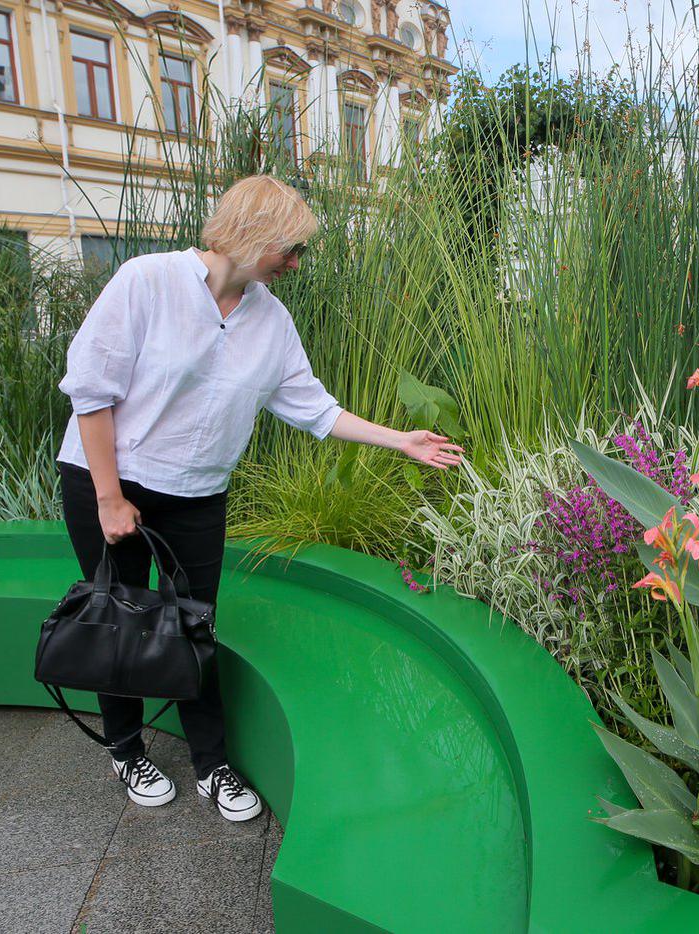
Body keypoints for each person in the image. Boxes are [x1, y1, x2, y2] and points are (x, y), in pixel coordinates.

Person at [55, 175, 463, 821]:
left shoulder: (269, 317)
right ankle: (126, 746)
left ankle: (211, 763)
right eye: (291, 249)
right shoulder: (147, 280)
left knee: (195, 625)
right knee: (122, 619)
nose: (296, 264)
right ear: (254, 234)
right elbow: (92, 391)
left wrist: (400, 440)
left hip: (195, 492)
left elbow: (312, 407)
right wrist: (109, 498)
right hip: (110, 480)